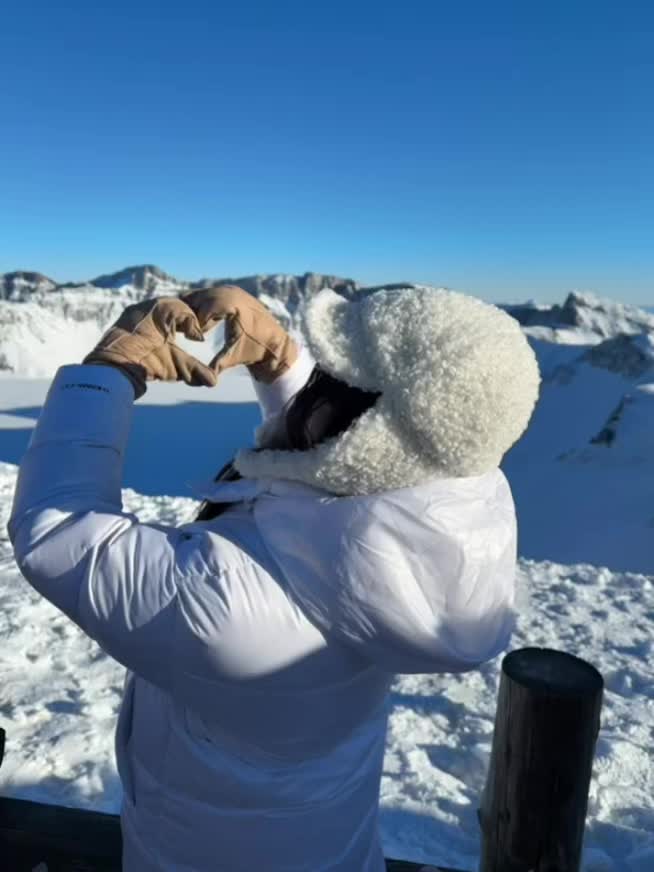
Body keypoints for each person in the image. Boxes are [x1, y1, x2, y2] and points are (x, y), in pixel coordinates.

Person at [9, 283, 540, 872]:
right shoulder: (432, 538)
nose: (314, 383)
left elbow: (56, 530)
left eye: (330, 381)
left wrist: (108, 371)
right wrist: (282, 366)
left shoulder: (232, 601)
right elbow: (347, 470)